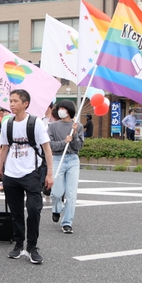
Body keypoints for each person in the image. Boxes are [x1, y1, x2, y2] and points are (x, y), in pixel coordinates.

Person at [0, 89, 53, 265]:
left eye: (15, 101)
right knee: (16, 212)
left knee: (34, 210)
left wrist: (49, 174)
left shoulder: (36, 123)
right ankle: (19, 244)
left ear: (25, 104)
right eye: (10, 101)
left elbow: (47, 150)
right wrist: (0, 169)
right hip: (11, 174)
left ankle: (32, 247)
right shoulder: (7, 124)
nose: (11, 104)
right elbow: (4, 148)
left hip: (31, 173)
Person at [48, 100, 84, 234]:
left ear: (70, 110)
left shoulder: (78, 126)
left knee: (71, 194)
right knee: (57, 193)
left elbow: (79, 147)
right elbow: (50, 145)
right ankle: (56, 208)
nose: (60, 111)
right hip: (57, 159)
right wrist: (64, 142)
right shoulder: (52, 126)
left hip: (73, 160)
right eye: (59, 108)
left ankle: (67, 222)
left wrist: (74, 135)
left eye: (63, 108)